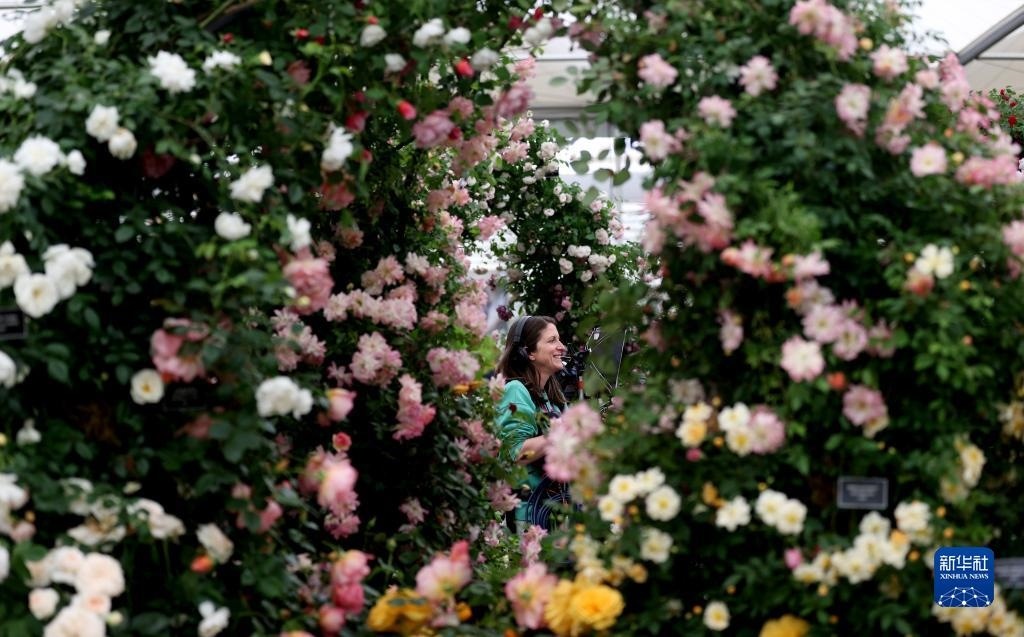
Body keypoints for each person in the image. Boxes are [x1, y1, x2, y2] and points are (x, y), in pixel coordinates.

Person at [495, 315, 568, 530]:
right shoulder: (516, 390)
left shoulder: (549, 398)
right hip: (527, 519)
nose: (562, 347)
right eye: (552, 340)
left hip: (551, 516)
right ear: (529, 352)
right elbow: (515, 453)